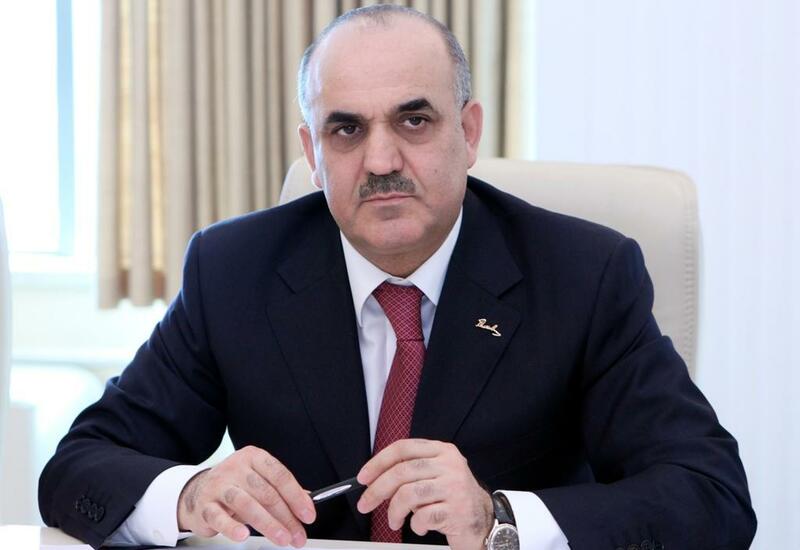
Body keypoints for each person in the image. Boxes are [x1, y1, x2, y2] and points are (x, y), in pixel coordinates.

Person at [39, 5, 756, 550]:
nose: (380, 161)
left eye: (414, 121)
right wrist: (190, 494)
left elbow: (712, 497)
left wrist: (499, 520)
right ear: (312, 153)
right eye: (346, 129)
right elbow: (79, 466)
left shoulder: (583, 275)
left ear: (467, 133)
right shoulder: (233, 269)